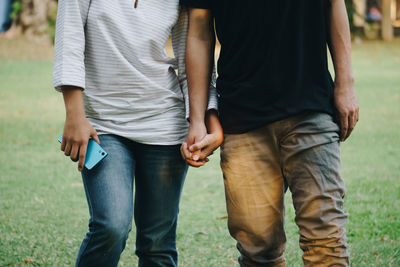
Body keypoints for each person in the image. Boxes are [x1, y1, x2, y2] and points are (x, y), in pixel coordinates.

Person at [180, 0, 359, 266]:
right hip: (242, 120)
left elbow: (334, 4)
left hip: (310, 107)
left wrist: (345, 83)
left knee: (326, 240)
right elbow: (198, 30)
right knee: (258, 252)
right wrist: (197, 119)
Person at [53, 0, 222, 266]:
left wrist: (198, 120)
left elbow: (192, 53)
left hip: (165, 126)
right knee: (110, 226)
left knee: (158, 244)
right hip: (102, 125)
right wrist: (74, 114)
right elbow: (69, 37)